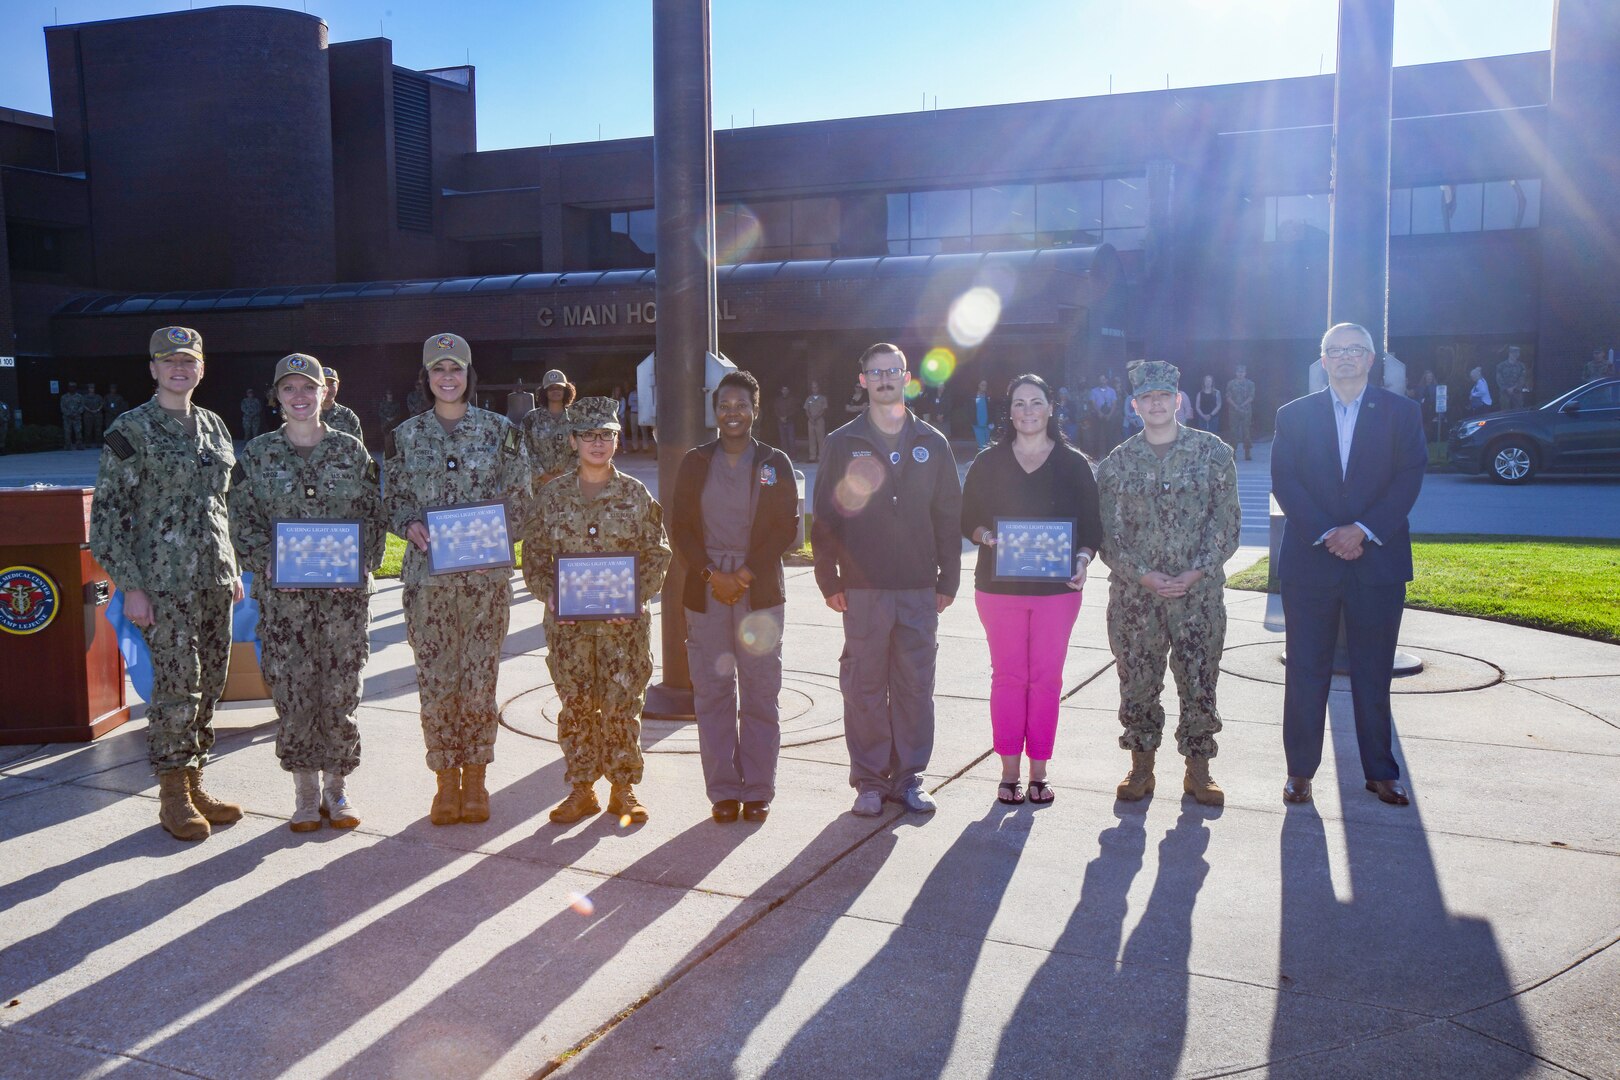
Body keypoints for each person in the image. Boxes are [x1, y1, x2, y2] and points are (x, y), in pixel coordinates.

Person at [89, 326, 244, 841]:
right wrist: (130, 586)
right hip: (162, 584)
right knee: (178, 687)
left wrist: (233, 565)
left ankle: (196, 782)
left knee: (211, 685)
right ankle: (172, 794)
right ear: (153, 369)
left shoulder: (215, 427)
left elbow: (226, 505)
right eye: (169, 360)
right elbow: (108, 519)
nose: (180, 368)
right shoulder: (130, 430)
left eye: (189, 360)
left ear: (201, 368)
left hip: (214, 579)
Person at [228, 354, 385, 833]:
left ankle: (336, 789)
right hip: (286, 600)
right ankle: (303, 792)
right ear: (277, 396)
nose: (300, 396)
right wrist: (267, 561)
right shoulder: (255, 455)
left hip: (342, 601)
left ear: (324, 393)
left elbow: (373, 516)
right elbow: (239, 519)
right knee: (294, 693)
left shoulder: (350, 451)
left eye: (308, 387)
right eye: (290, 388)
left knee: (340, 691)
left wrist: (363, 562)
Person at [1273, 322, 1427, 807]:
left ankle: (1380, 771)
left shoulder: (1402, 413)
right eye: (1334, 351)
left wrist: (1361, 530)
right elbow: (1285, 480)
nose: (1344, 358)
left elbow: (1409, 478)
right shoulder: (1293, 415)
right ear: (1323, 360)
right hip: (1310, 562)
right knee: (1305, 668)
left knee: (1373, 669)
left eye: (1354, 350)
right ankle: (1300, 771)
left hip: (1376, 561)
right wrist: (1327, 532)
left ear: (1370, 358)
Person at [385, 333, 531, 826]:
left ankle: (476, 780)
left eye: (457, 370)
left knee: (479, 681)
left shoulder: (499, 431)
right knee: (436, 682)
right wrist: (408, 523)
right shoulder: (405, 437)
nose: (448, 378)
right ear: (426, 378)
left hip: (484, 582)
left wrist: (497, 534)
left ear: (470, 376)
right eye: (438, 370)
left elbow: (522, 496)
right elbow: (393, 499)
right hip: (428, 584)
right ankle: (445, 782)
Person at [812, 343, 963, 817]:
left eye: (892, 371)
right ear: (862, 381)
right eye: (874, 372)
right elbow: (825, 518)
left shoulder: (932, 443)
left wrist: (949, 579)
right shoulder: (842, 442)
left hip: (919, 585)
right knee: (865, 686)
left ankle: (910, 777)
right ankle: (871, 781)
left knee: (916, 684)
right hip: (863, 586)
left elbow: (948, 515)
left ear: (906, 377)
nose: (884, 379)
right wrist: (827, 577)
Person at [1095, 359, 1241, 807]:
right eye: (1146, 398)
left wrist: (1195, 571)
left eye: (1164, 396)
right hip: (1136, 598)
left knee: (1199, 680)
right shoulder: (1118, 463)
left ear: (1178, 400)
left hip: (1197, 597)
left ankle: (1199, 772)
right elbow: (1107, 534)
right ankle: (1141, 769)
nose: (1156, 404)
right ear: (1135, 404)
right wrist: (1143, 575)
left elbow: (1227, 523)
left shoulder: (1213, 452)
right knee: (1137, 681)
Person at [523, 397, 670, 825]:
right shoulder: (551, 497)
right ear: (572, 440)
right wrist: (548, 593)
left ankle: (623, 789)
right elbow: (533, 556)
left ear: (617, 440)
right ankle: (581, 789)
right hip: (569, 626)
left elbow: (657, 552)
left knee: (623, 704)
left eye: (606, 434)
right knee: (577, 706)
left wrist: (640, 595)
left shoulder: (634, 494)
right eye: (588, 435)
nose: (598, 443)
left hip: (623, 626)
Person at [961, 374, 1102, 806]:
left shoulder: (1074, 464)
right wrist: (987, 538)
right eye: (1019, 403)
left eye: (1036, 402)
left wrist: (1081, 561)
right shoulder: (988, 463)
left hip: (1056, 593)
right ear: (1011, 411)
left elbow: (1092, 526)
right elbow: (969, 519)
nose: (1027, 411)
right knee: (1008, 678)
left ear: (1051, 408)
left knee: (1045, 679)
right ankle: (1008, 773)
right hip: (998, 589)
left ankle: (1040, 770)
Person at [670, 371, 799, 824]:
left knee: (761, 691)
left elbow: (786, 527)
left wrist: (742, 573)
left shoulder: (774, 462)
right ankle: (723, 790)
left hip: (759, 589)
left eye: (741, 404)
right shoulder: (695, 462)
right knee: (713, 691)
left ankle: (759, 787)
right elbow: (679, 527)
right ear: (715, 410)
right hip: (705, 592)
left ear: (755, 409)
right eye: (725, 404)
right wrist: (712, 574)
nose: (733, 412)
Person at [521, 367, 578, 489]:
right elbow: (524, 449)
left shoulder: (576, 419)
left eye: (559, 388)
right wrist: (543, 475)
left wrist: (564, 474)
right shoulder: (531, 418)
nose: (555, 391)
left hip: (568, 484)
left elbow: (581, 451)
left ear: (566, 390)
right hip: (538, 485)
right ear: (544, 392)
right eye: (551, 388)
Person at [320, 366, 364, 441]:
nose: (327, 389)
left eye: (331, 384)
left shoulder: (348, 416)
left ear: (337, 386)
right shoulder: (305, 414)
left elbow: (358, 449)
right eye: (323, 384)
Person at [1225, 364, 1256, 460]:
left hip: (1246, 411)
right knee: (1233, 432)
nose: (1240, 374)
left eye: (1242, 372)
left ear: (1245, 373)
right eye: (1239, 372)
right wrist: (1235, 406)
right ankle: (1233, 453)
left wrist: (1242, 405)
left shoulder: (1250, 384)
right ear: (1236, 373)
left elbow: (1251, 397)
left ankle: (1247, 452)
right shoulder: (1231, 383)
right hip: (1234, 411)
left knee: (1246, 432)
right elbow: (1228, 397)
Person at [1089, 373, 1118, 457]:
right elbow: (1093, 403)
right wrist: (1099, 413)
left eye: (1103, 379)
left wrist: (1109, 415)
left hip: (1109, 413)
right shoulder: (1093, 391)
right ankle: (1096, 456)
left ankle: (1110, 455)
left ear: (1106, 380)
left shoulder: (1112, 391)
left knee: (1109, 435)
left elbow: (1114, 404)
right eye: (1100, 379)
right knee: (1096, 435)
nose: (1102, 381)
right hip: (1098, 414)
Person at [802, 379, 828, 462]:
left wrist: (816, 417)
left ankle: (821, 457)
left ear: (818, 388)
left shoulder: (823, 398)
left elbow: (823, 410)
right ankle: (812, 457)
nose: (814, 389)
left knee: (820, 439)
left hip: (819, 420)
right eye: (813, 388)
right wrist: (811, 418)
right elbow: (806, 410)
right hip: (811, 421)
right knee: (811, 439)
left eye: (816, 387)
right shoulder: (809, 398)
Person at [773, 384, 798, 453]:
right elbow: (776, 409)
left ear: (788, 391)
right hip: (780, 421)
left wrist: (786, 417)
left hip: (790, 421)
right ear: (781, 391)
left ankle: (793, 456)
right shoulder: (778, 400)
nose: (785, 391)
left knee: (791, 439)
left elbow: (794, 410)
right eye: (783, 389)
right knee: (783, 439)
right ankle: (785, 456)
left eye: (786, 389)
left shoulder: (792, 399)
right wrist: (780, 417)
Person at [60, 381, 84, 451]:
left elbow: (82, 406)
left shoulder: (79, 396)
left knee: (78, 431)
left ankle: (79, 445)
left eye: (73, 387)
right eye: (70, 387)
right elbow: (62, 407)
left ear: (75, 388)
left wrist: (76, 413)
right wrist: (68, 414)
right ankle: (67, 445)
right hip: (67, 418)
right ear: (68, 388)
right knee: (67, 432)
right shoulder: (64, 397)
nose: (72, 388)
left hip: (77, 417)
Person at [972, 379, 993, 450]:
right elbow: (969, 409)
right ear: (978, 385)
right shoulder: (973, 396)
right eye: (982, 385)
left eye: (985, 385)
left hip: (987, 424)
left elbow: (992, 410)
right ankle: (982, 459)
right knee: (982, 446)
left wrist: (992, 421)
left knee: (987, 445)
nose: (984, 387)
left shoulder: (989, 396)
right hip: (977, 424)